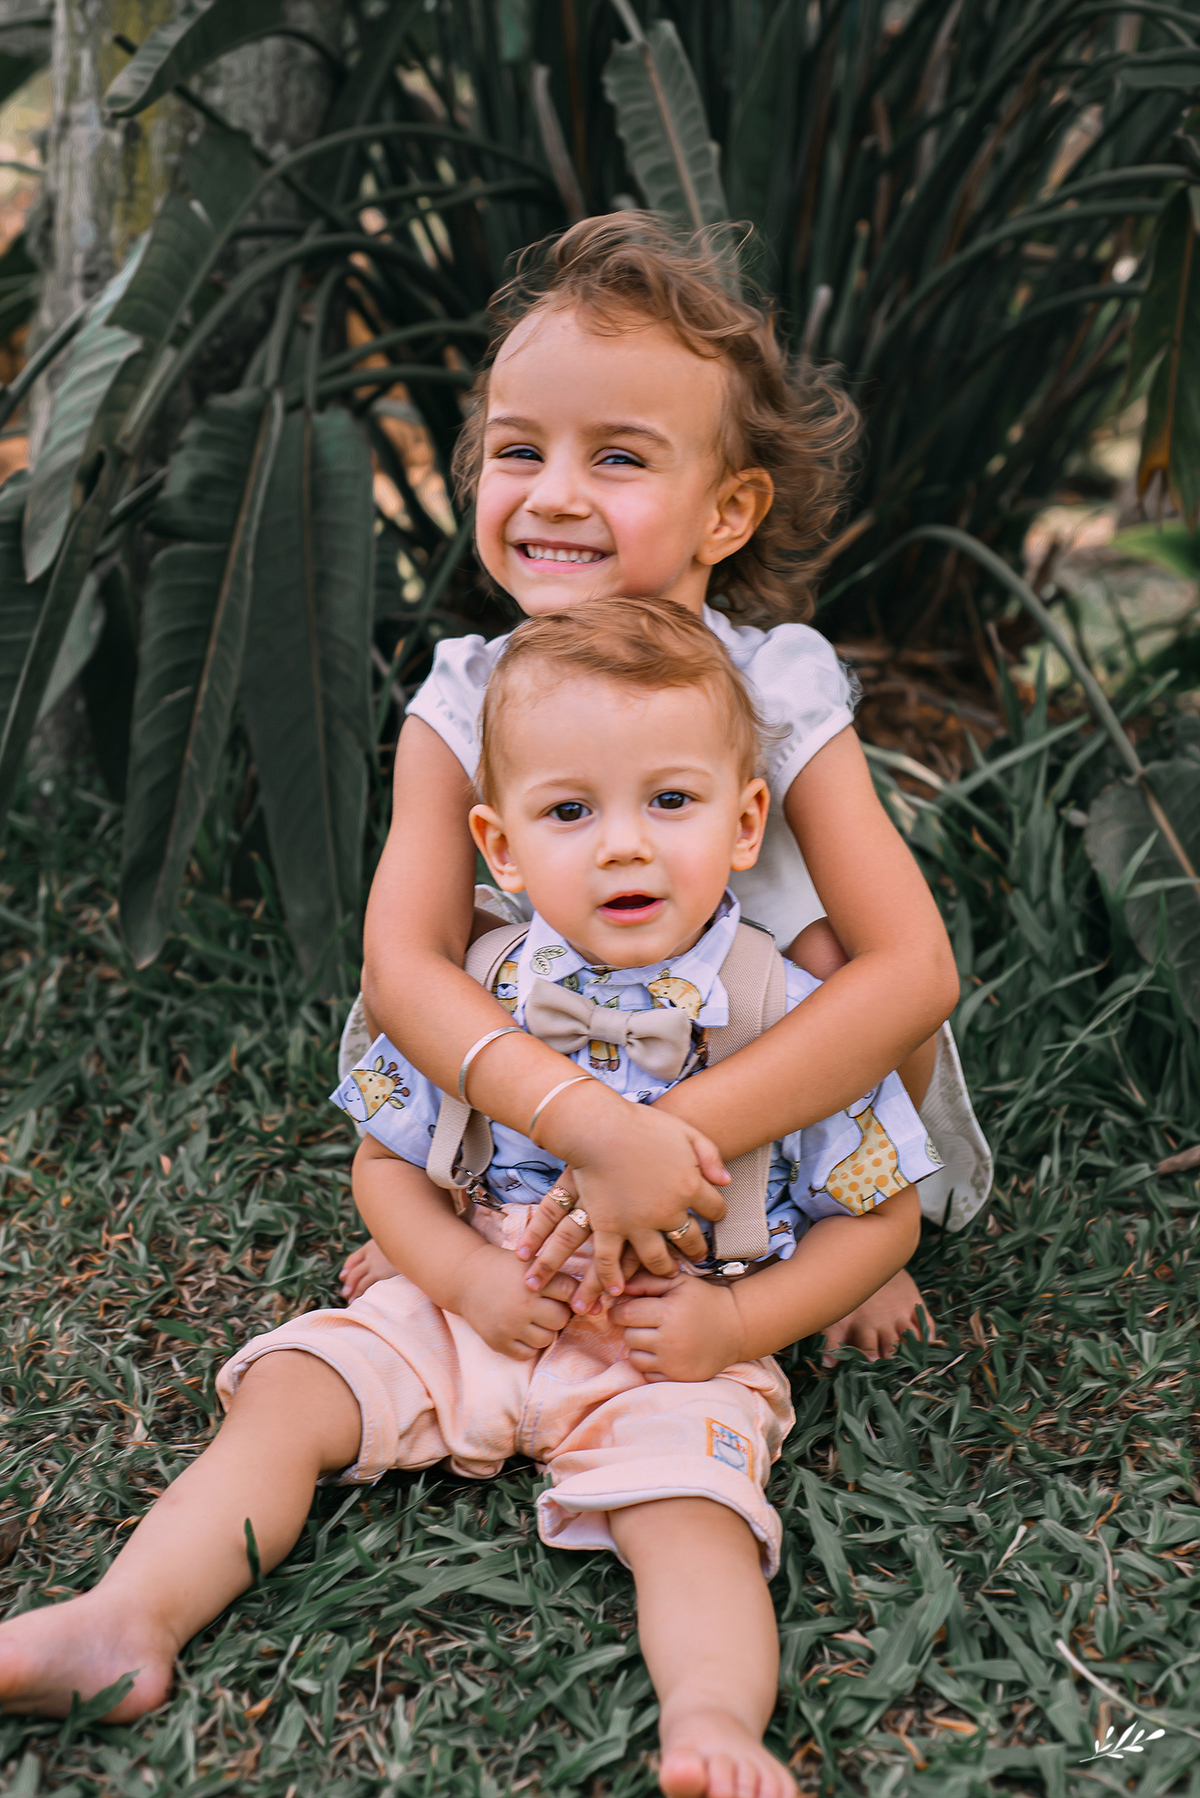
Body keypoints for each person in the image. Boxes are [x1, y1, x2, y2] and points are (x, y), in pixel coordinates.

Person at [0, 600, 938, 1798]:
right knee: (289, 1394)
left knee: (696, 1519)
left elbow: (884, 1219)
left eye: (670, 800)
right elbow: (385, 1165)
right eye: (568, 812)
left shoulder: (792, 1021)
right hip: (473, 1293)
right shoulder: (474, 994)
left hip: (674, 1330)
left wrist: (742, 1329)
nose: (623, 846)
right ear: (497, 846)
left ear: (747, 820)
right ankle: (122, 1618)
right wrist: (457, 1274)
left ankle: (715, 1723)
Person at [339, 212, 991, 1352]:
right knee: (464, 982)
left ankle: (841, 1228)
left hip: (747, 1053)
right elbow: (403, 967)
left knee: (836, 960)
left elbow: (912, 972)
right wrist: (585, 1123)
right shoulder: (462, 700)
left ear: (728, 512)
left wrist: (660, 1132)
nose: (551, 492)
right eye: (519, 449)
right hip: (547, 1038)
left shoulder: (776, 688)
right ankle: (466, 1204)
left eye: (620, 456)